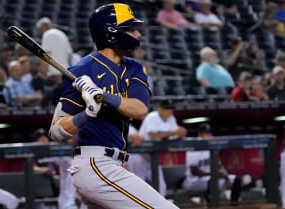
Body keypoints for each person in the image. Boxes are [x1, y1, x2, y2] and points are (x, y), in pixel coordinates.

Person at [48, 3, 179, 209]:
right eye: (130, 29)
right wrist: (87, 113)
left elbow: (140, 109)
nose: (137, 34)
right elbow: (56, 131)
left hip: (113, 164)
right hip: (95, 164)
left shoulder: (134, 68)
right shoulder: (82, 69)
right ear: (111, 33)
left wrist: (102, 95)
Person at [129, 100, 187, 197]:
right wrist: (174, 132)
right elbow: (153, 135)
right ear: (161, 108)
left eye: (172, 109)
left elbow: (173, 136)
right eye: (168, 109)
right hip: (139, 155)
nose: (170, 111)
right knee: (138, 186)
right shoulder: (152, 117)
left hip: (153, 158)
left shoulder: (171, 119)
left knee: (161, 187)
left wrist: (180, 132)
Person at [182, 124, 242, 204]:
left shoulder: (212, 147)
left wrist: (226, 178)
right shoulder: (193, 148)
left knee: (236, 180)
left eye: (210, 133)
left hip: (211, 178)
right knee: (212, 182)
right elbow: (194, 171)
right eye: (206, 133)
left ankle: (234, 205)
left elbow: (219, 166)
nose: (209, 135)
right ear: (199, 134)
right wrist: (214, 175)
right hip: (193, 181)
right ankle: (211, 206)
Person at [31, 128, 77, 209]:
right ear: (35, 141)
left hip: (55, 192)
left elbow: (68, 163)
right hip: (40, 195)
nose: (44, 140)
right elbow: (30, 168)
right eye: (41, 138)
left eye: (45, 138)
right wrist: (43, 170)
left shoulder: (53, 152)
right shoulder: (33, 154)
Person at [36, 17, 72, 83]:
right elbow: (70, 55)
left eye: (40, 30)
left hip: (54, 74)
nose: (41, 33)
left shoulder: (47, 34)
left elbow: (45, 55)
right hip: (66, 72)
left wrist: (44, 73)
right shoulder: (62, 34)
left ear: (44, 26)